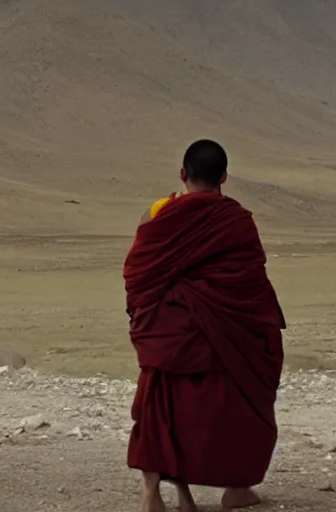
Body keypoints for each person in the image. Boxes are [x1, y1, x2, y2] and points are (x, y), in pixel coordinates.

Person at [123, 140, 285, 511]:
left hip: (170, 331)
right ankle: (236, 489)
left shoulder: (159, 213)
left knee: (159, 406)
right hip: (228, 335)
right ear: (224, 177)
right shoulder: (237, 221)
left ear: (183, 173)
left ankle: (152, 493)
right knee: (238, 405)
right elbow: (251, 284)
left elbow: (137, 273)